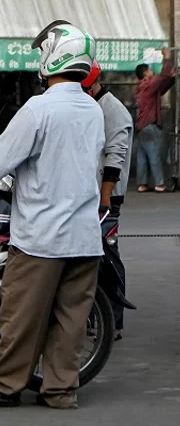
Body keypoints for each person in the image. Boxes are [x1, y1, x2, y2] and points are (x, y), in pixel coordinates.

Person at [0, 21, 104, 410]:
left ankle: (5, 387)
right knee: (70, 321)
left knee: (21, 317)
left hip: (42, 239)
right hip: (83, 238)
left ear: (51, 58)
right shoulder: (92, 110)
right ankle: (61, 391)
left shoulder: (39, 108)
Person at [82, 61, 132, 340]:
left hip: (107, 196)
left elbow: (115, 157)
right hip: (93, 194)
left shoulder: (112, 110)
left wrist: (105, 198)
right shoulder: (94, 107)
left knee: (108, 259)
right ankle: (94, 316)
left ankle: (113, 319)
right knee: (90, 258)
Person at [134, 48, 175, 192]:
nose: (152, 72)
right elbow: (163, 76)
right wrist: (167, 58)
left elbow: (161, 88)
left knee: (142, 156)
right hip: (150, 125)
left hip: (141, 126)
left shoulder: (141, 88)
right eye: (150, 70)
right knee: (155, 153)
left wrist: (172, 78)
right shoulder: (148, 85)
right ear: (145, 74)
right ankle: (159, 183)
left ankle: (142, 184)